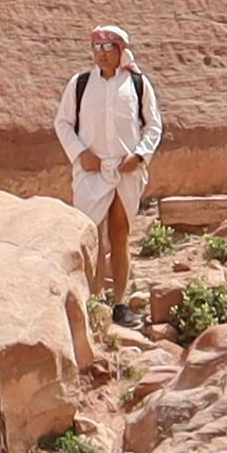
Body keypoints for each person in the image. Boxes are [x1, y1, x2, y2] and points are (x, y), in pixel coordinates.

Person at [56, 22, 167, 301]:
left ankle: (119, 301)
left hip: (126, 171)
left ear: (121, 50)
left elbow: (153, 125)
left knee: (120, 234)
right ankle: (94, 302)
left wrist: (139, 156)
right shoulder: (80, 84)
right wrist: (81, 154)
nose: (102, 53)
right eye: (97, 47)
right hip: (90, 172)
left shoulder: (137, 84)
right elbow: (63, 122)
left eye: (108, 47)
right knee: (90, 236)